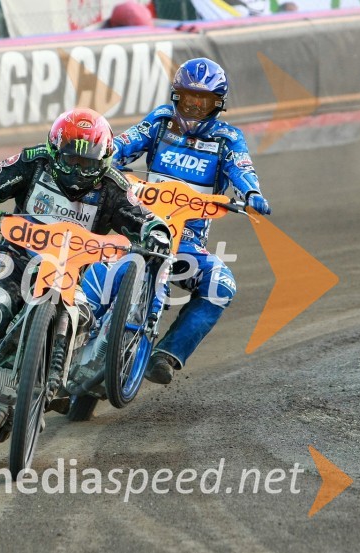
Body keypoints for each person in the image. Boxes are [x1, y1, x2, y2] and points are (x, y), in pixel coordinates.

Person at [0, 108, 170, 428]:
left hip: (69, 276)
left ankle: (48, 385)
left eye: (87, 164)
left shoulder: (114, 186)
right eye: (71, 160)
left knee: (82, 320)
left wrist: (157, 236)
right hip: (13, 259)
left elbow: (148, 220)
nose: (78, 171)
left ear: (103, 161)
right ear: (54, 152)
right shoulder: (33, 161)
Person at [109, 57, 271, 384]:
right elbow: (122, 145)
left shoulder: (227, 139)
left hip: (185, 244)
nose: (195, 106)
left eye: (204, 100)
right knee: (87, 263)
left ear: (218, 104)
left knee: (221, 285)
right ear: (176, 96)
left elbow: (242, 168)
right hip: (136, 225)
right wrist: (102, 157)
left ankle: (166, 354)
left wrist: (252, 193)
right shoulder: (160, 121)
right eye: (188, 98)